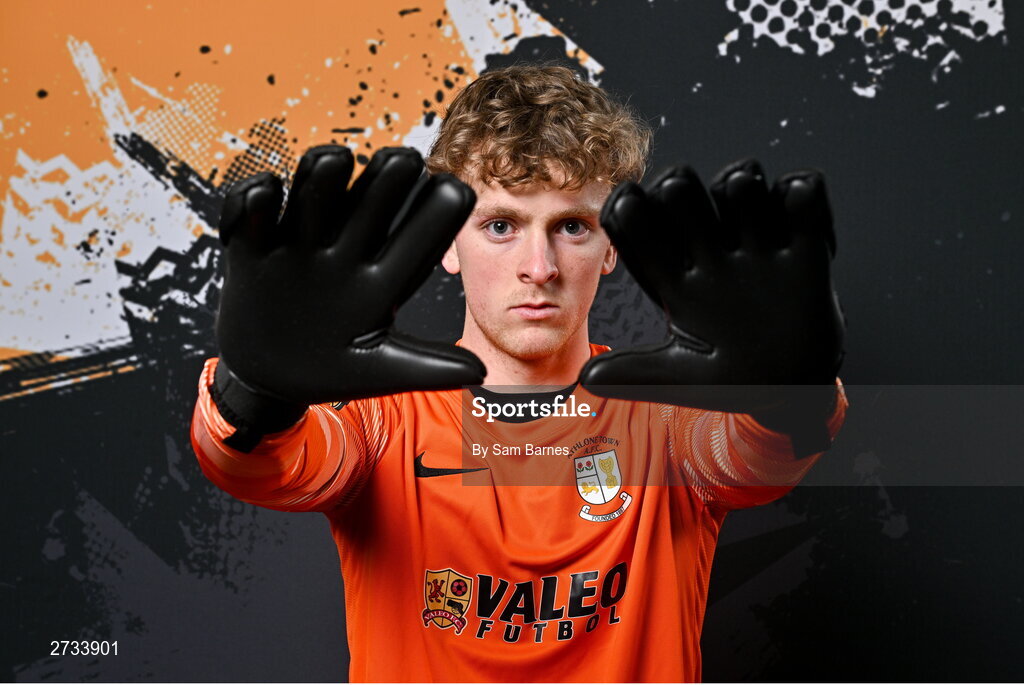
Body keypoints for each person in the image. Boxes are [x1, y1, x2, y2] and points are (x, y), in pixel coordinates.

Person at [190, 65, 847, 682]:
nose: (540, 265)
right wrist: (256, 392)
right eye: (501, 224)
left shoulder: (668, 422)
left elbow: (754, 458)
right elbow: (265, 464)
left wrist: (794, 395)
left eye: (572, 226)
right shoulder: (382, 420)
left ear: (612, 244)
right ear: (447, 242)